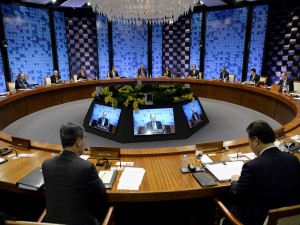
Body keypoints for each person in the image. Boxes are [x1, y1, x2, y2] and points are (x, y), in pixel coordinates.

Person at [226, 120, 300, 225]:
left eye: (249, 141)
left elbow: (237, 194)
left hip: (258, 219)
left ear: (256, 140)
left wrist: (234, 181)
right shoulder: (293, 159)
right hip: (288, 219)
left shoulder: (252, 167)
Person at [42, 122, 107, 225]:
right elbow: (101, 192)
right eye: (84, 138)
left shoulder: (46, 165)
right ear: (78, 142)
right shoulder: (86, 167)